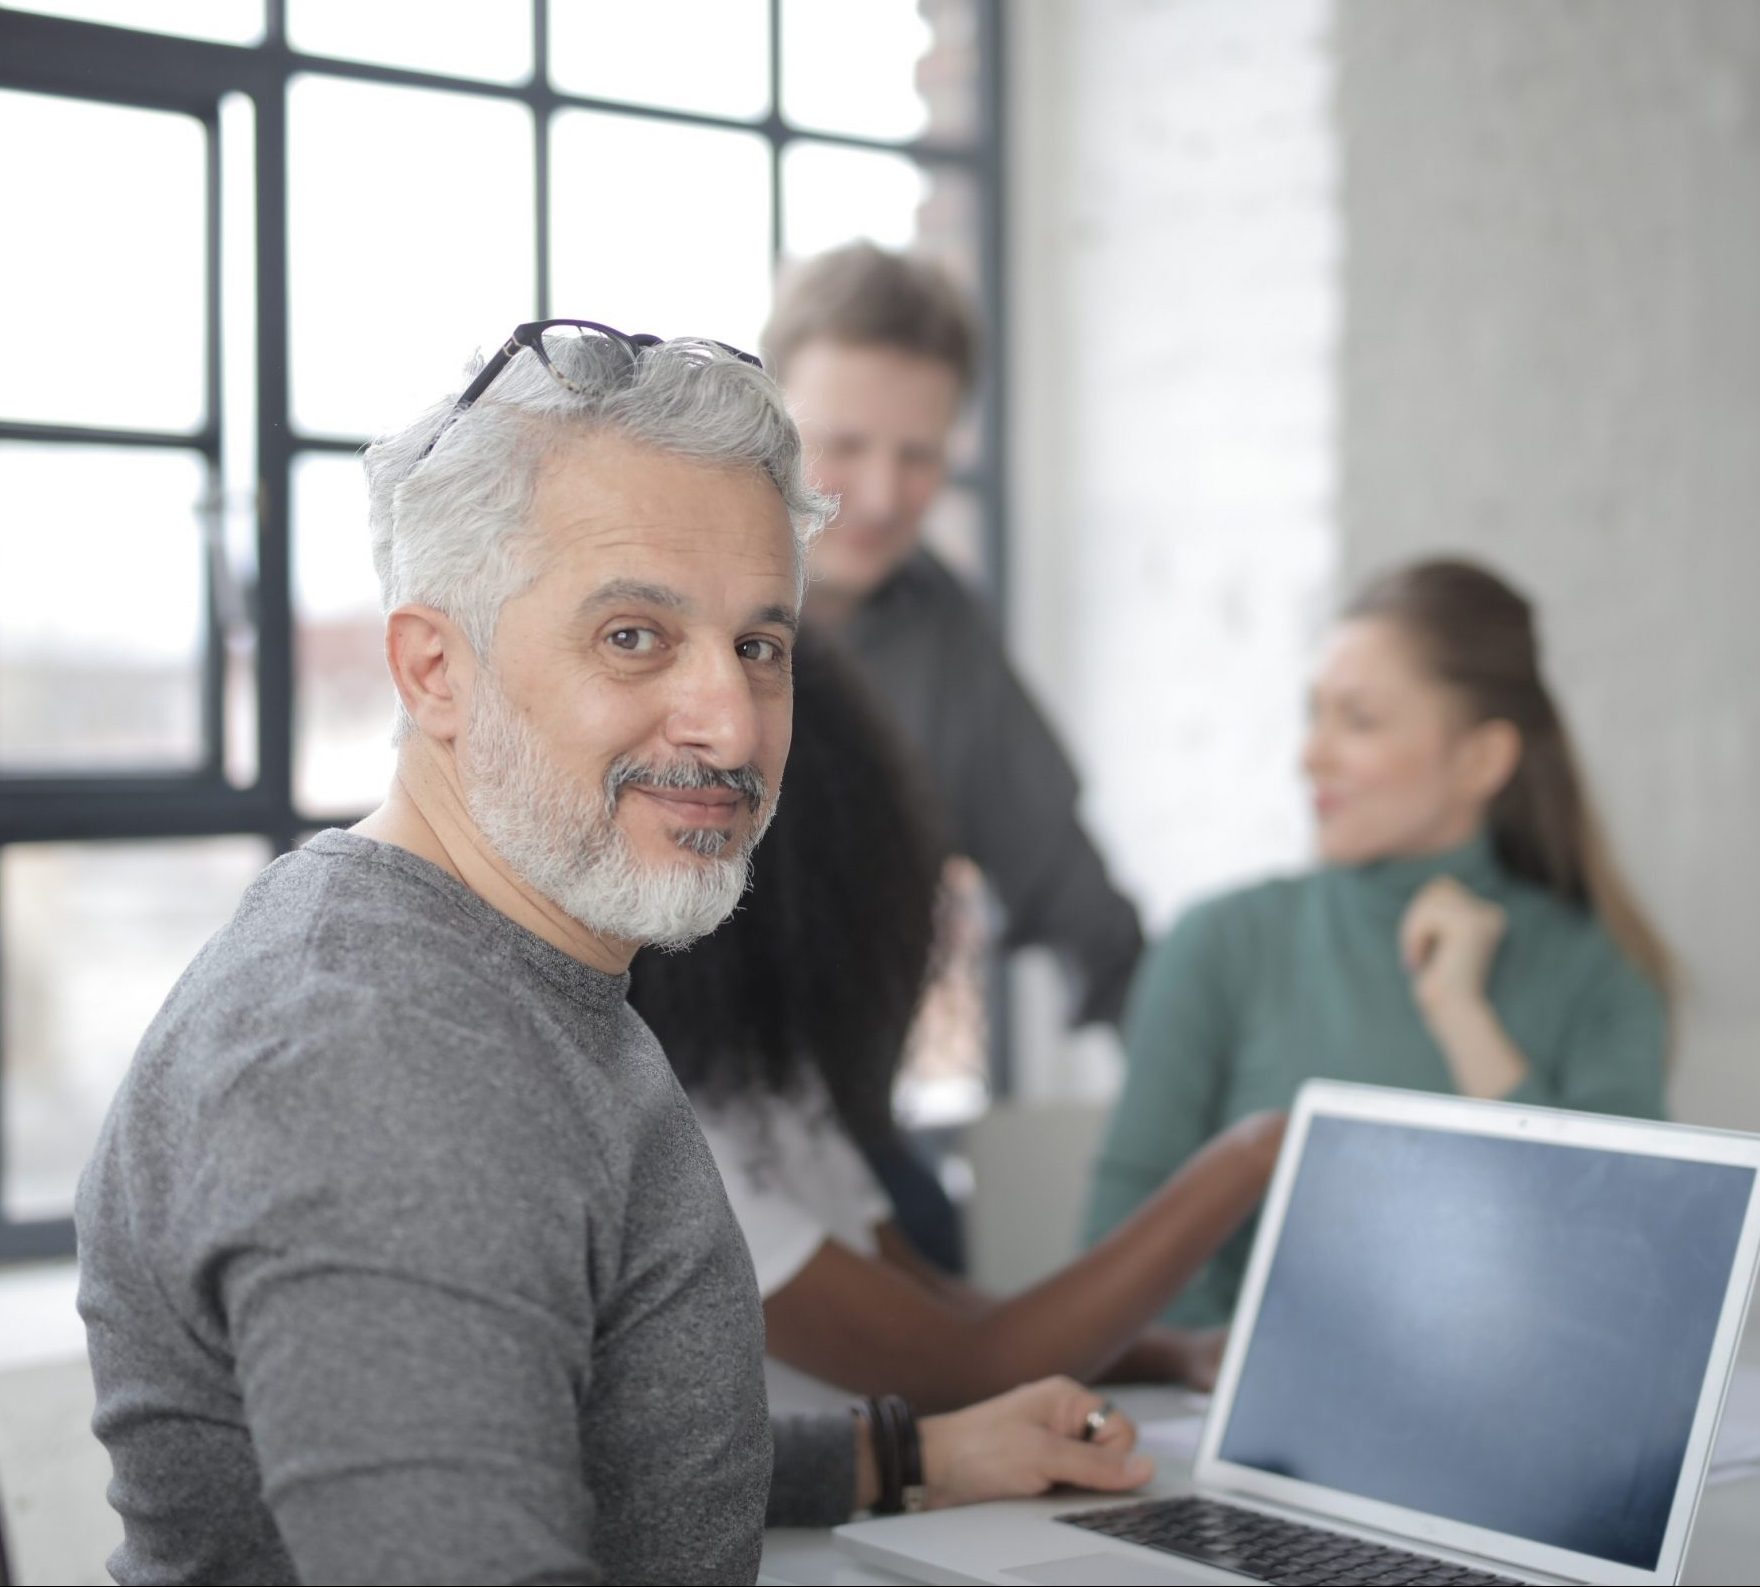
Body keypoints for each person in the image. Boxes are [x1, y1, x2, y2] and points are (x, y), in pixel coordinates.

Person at [75, 322, 1153, 1587]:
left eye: (759, 644)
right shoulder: (386, 1063)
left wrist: (905, 1456)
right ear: (434, 670)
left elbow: (582, 1438)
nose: (729, 722)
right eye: (633, 636)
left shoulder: (509, 962)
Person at [628, 635, 1286, 1415]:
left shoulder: (765, 1084)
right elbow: (970, 1365)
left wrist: (1173, 1354)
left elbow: (943, 1308)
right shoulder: (664, 1142)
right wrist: (1251, 1156)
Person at [1084, 557, 1674, 1328]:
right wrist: (1216, 1370)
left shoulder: (1600, 966)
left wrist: (1463, 1016)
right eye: (1314, 714)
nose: (1310, 757)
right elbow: (1115, 1250)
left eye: (1357, 720)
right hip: (1226, 1417)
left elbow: (1619, 1269)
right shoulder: (1220, 942)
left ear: (1481, 760)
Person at [763, 242, 1144, 1032]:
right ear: (769, 417)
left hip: (842, 1112)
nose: (877, 499)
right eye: (843, 445)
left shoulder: (948, 632)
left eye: (918, 457)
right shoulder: (649, 600)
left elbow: (1089, 918)